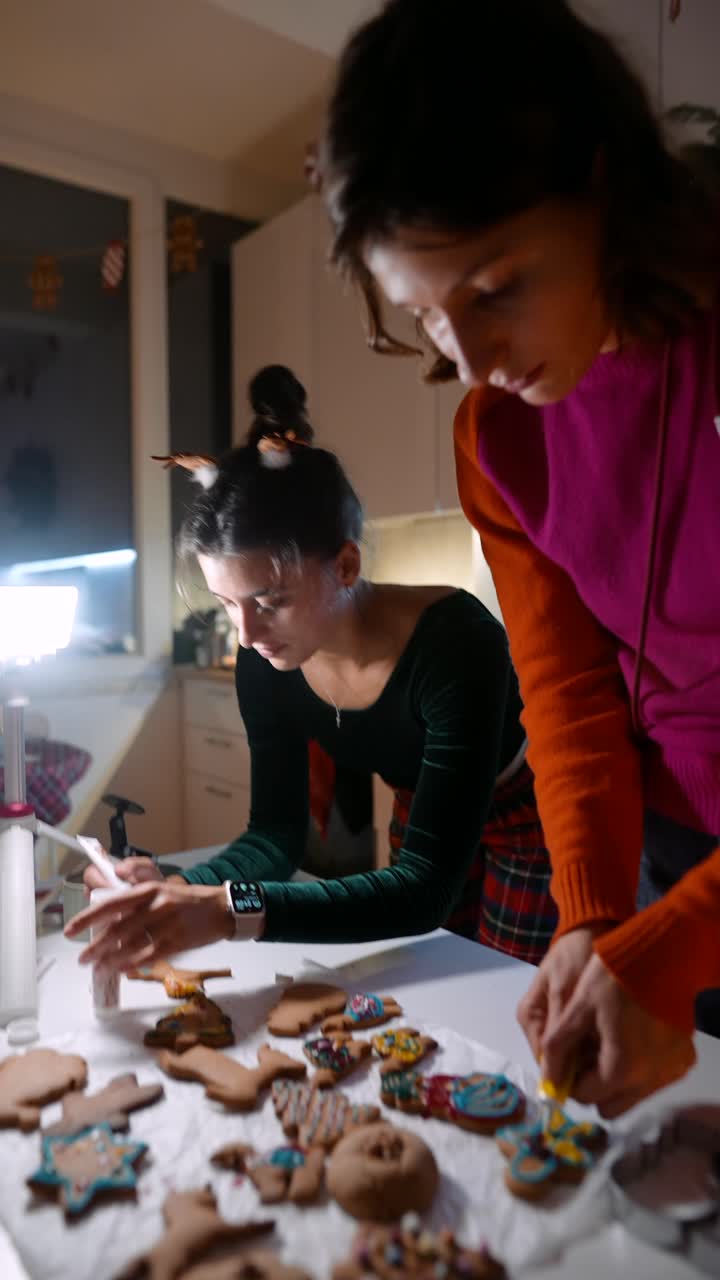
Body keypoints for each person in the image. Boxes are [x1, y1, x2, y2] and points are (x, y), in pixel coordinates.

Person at [317, 0, 720, 1116]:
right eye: (431, 316)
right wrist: (592, 915)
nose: (477, 358)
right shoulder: (497, 436)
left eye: (496, 289)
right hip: (668, 841)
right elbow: (572, 696)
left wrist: (677, 943)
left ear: (605, 184)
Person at [69, 364, 556, 972]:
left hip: (533, 809)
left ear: (346, 565)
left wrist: (228, 909)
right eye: (227, 606)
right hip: (425, 801)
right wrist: (179, 887)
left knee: (508, 989)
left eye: (269, 602)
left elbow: (424, 890)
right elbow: (275, 834)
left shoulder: (456, 644)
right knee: (434, 975)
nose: (246, 635)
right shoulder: (265, 662)